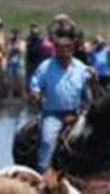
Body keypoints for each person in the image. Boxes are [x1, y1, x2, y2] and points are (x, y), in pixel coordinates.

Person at [28, 35, 93, 173]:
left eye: (66, 50)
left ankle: (96, 169)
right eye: (59, 50)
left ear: (72, 50)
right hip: (53, 113)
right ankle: (43, 171)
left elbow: (88, 92)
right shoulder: (46, 67)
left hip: (77, 112)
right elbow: (35, 85)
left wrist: (94, 78)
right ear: (54, 50)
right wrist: (35, 94)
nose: (62, 53)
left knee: (94, 136)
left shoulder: (81, 67)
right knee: (47, 140)